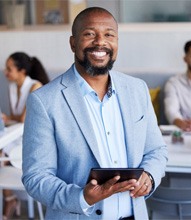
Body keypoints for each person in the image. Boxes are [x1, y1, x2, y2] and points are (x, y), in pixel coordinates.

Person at [22, 7, 168, 220]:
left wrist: (150, 176)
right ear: (73, 43)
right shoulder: (44, 101)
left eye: (109, 34)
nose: (101, 42)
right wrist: (82, 197)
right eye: (89, 34)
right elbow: (36, 177)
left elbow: (156, 150)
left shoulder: (137, 89)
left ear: (117, 41)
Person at [1, 52, 49, 220]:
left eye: (9, 69)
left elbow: (23, 118)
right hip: (18, 135)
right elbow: (16, 118)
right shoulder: (12, 87)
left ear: (21, 71)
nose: (5, 73)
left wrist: (6, 118)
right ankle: (10, 197)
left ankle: (10, 199)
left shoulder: (35, 86)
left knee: (0, 154)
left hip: (33, 139)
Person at [164, 39, 191, 132]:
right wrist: (181, 123)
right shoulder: (173, 83)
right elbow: (171, 111)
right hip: (183, 133)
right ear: (185, 59)